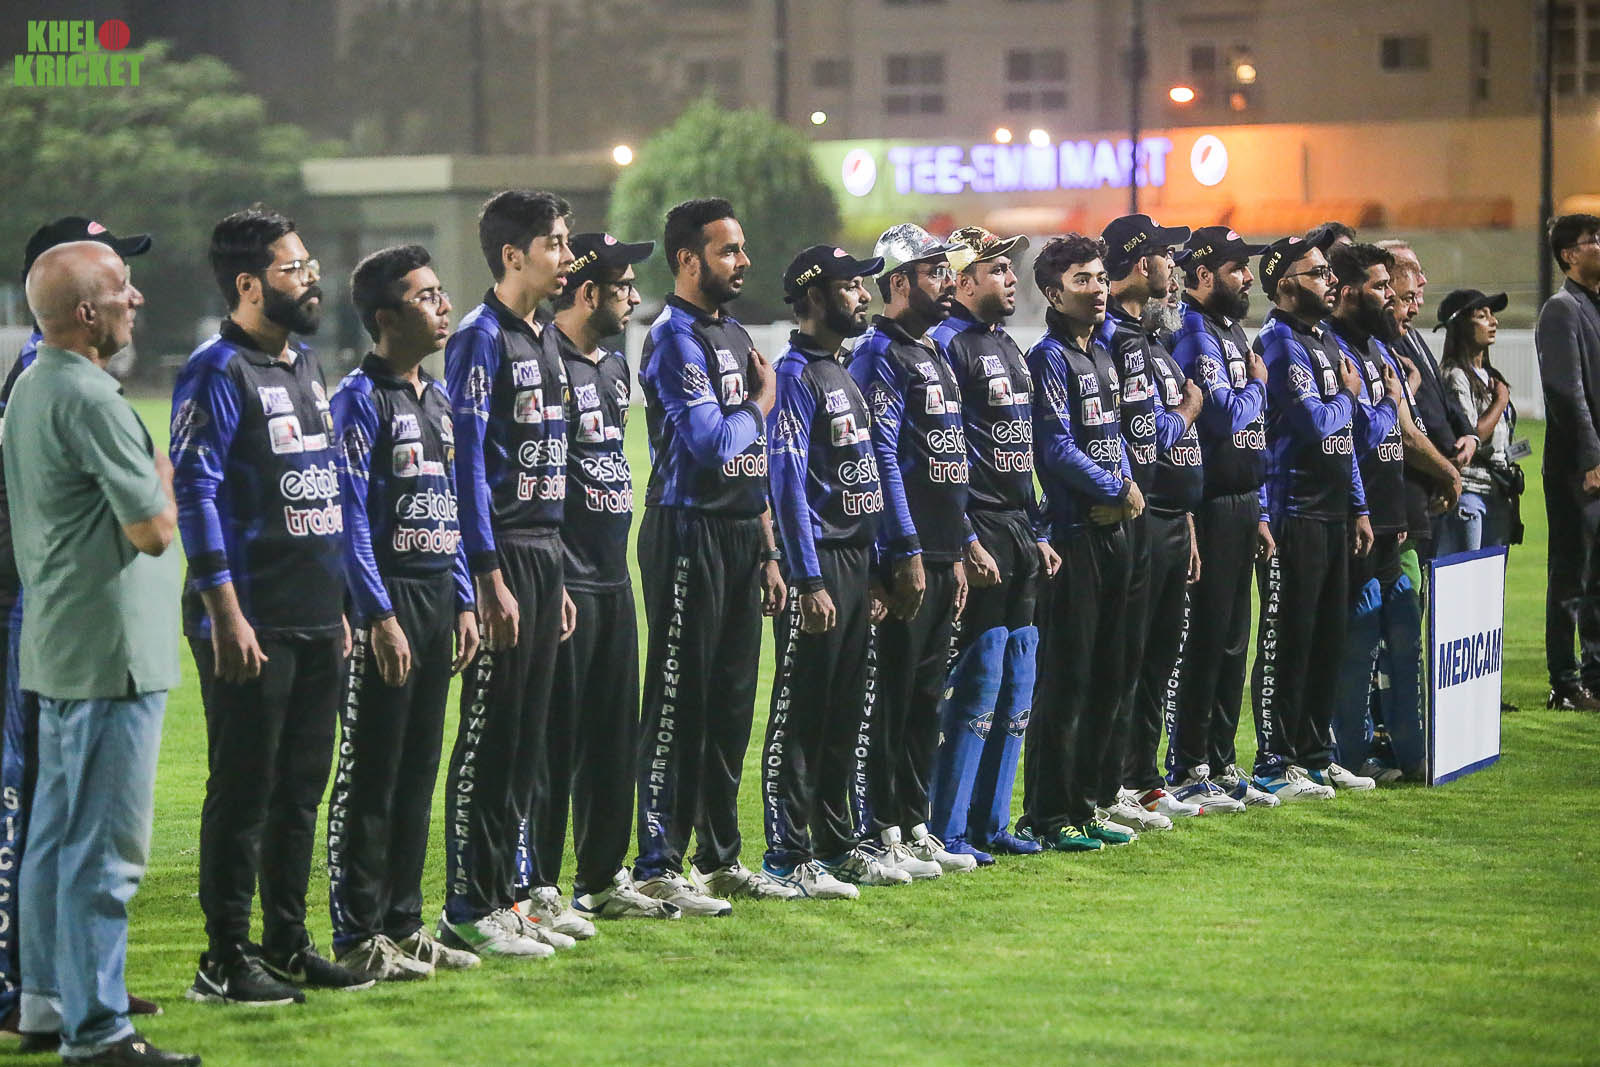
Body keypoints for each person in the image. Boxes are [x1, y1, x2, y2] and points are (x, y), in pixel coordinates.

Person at [172, 207, 370, 1003]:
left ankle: (287, 942)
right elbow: (195, 490)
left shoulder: (306, 363)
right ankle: (222, 957)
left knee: (299, 793)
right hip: (250, 620)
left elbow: (327, 489)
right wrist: (224, 612)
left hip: (315, 615)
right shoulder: (217, 369)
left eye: (310, 264)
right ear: (249, 285)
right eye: (294, 268)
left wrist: (342, 603)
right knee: (244, 791)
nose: (311, 278)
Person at [8, 241, 197, 1066]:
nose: (136, 297)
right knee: (104, 848)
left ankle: (47, 1003)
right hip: (112, 655)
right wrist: (166, 475)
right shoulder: (91, 396)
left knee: (55, 838)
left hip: (60, 643)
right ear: (87, 312)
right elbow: (151, 529)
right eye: (122, 287)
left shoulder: (31, 386)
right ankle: (98, 1029)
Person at [325, 245, 483, 981]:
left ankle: (404, 924)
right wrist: (378, 613)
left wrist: (464, 598)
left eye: (441, 292)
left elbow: (449, 508)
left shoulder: (438, 401)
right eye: (425, 297)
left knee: (417, 771)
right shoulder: (358, 400)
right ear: (386, 317)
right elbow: (349, 514)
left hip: (433, 598)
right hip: (385, 601)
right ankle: (357, 934)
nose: (444, 306)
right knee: (370, 773)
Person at [633, 198, 790, 913]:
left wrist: (768, 548)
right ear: (688, 259)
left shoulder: (733, 332)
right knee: (678, 701)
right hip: (686, 530)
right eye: (728, 250)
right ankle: (657, 862)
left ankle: (720, 859)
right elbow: (711, 443)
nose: (743, 260)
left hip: (737, 534)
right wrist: (762, 402)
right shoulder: (673, 338)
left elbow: (751, 461)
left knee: (729, 703)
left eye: (742, 247)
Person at [438, 190, 582, 956]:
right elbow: (464, 463)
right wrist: (487, 574)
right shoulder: (479, 337)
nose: (567, 256)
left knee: (527, 738)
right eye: (554, 243)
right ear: (512, 255)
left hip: (543, 552)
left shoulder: (544, 336)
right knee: (489, 735)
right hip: (503, 552)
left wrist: (555, 573)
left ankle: (510, 896)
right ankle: (468, 903)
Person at [760, 245, 907, 897]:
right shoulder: (794, 375)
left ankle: (836, 844)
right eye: (851, 287)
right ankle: (787, 854)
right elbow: (786, 482)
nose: (864, 296)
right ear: (816, 297)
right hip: (817, 564)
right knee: (802, 713)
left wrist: (872, 570)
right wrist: (808, 578)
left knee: (844, 711)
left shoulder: (839, 371)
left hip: (853, 563)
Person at [544, 233, 680, 921]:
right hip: (561, 578)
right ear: (588, 291)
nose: (633, 297)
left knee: (611, 738)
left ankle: (600, 879)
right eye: (623, 286)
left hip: (611, 575)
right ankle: (537, 889)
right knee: (553, 743)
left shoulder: (614, 367)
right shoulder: (543, 361)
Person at [849, 224, 980, 875]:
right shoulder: (879, 354)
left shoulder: (932, 351)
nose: (948, 281)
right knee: (892, 698)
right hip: (905, 557)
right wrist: (903, 548)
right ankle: (879, 828)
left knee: (926, 697)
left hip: (939, 553)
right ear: (898, 282)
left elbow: (948, 459)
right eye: (934, 272)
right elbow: (879, 455)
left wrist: (958, 546)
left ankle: (913, 819)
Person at [927, 226, 1056, 863]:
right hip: (978, 527)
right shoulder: (947, 345)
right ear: (962, 279)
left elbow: (1022, 449)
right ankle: (947, 828)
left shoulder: (1008, 345)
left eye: (1010, 267)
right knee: (977, 679)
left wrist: (1037, 530)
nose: (1010, 278)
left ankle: (991, 822)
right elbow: (944, 454)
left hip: (1018, 529)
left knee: (1018, 677)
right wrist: (966, 537)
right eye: (997, 268)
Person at [1017, 234, 1139, 851]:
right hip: (1072, 536)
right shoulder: (1047, 359)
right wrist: (1118, 487)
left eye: (1099, 278)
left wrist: (1125, 489)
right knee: (1066, 680)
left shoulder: (1102, 354)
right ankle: (1047, 814)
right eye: (1081, 280)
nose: (1097, 290)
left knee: (1108, 678)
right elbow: (1055, 447)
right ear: (1052, 293)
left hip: (1113, 530)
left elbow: (1112, 437)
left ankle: (1087, 806)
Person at [1095, 215, 1210, 826]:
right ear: (1144, 263)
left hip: (1167, 516)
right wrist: (1189, 408)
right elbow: (1145, 435)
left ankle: (1145, 778)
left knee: (1160, 654)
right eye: (1168, 255)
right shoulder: (1118, 339)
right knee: (1129, 656)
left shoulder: (1149, 337)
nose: (1175, 266)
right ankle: (1118, 780)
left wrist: (1185, 516)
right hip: (1136, 518)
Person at [1249, 232, 1370, 801]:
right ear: (1285, 285)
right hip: (1291, 511)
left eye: (1328, 272)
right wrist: (1349, 398)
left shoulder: (1324, 339)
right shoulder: (1278, 342)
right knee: (1288, 642)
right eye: (1318, 273)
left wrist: (1358, 504)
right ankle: (1275, 762)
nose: (1331, 281)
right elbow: (1318, 424)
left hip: (1331, 512)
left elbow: (1350, 437)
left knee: (1326, 639)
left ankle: (1316, 757)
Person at [1166, 227, 1278, 809]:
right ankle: (1189, 766)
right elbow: (1225, 415)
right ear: (1204, 275)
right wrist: (1259, 386)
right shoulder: (1194, 332)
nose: (1248, 278)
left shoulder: (1229, 330)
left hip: (1240, 501)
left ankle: (1222, 760)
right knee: (1206, 641)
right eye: (1237, 268)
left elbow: (1249, 432)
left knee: (1234, 641)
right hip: (1207, 505)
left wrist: (1259, 508)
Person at [1324, 243, 1409, 787]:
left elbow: (1388, 433)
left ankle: (1364, 746)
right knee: (1349, 641)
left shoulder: (1376, 348)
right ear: (1350, 292)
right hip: (1350, 518)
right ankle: (1341, 752)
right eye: (1381, 286)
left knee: (1375, 640)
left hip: (1384, 517)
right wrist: (1389, 404)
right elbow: (1359, 430)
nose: (1391, 296)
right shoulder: (1333, 349)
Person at [1534, 213, 1600, 710]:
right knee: (1571, 575)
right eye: (1592, 239)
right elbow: (1565, 391)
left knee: (1596, 578)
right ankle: (1565, 682)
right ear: (1569, 255)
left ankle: (1595, 675)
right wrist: (1591, 456)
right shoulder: (1561, 310)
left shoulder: (1591, 306)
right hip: (1577, 467)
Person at [1437, 289, 1520, 554]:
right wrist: (1500, 401)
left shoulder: (1489, 375)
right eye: (1482, 316)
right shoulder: (1454, 374)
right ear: (1460, 325)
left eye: (1492, 315)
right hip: (1470, 492)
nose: (1493, 322)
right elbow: (1471, 436)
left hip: (1498, 492)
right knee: (1467, 573)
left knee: (1492, 577)